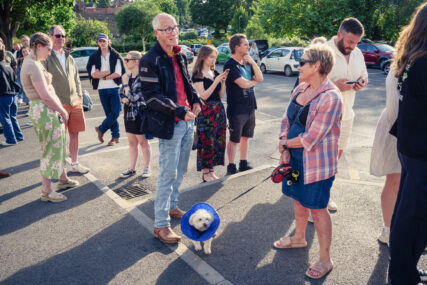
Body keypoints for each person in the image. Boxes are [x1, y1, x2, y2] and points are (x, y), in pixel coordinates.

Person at [275, 44, 342, 280]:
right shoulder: (301, 87)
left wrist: (285, 145)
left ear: (317, 65)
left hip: (316, 166)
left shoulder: (331, 97)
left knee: (318, 209)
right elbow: (286, 118)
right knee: (297, 198)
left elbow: (312, 138)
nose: (298, 65)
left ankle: (325, 258)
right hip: (294, 159)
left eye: (302, 61)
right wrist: (284, 145)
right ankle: (299, 238)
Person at [139, 13, 201, 243]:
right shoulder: (150, 59)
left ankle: (173, 206)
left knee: (182, 169)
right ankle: (161, 225)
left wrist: (196, 101)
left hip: (187, 121)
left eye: (174, 28)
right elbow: (151, 97)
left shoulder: (180, 54)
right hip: (171, 124)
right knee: (168, 173)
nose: (173, 32)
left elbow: (187, 83)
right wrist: (179, 111)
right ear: (156, 33)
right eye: (167, 29)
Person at [388, 3, 427, 284]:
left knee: (406, 212)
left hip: (410, 146)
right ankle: (403, 276)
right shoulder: (424, 62)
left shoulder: (413, 57)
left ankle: (404, 270)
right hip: (420, 150)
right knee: (414, 218)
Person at [20, 32, 79, 202]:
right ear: (38, 46)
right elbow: (44, 95)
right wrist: (62, 110)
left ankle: (63, 179)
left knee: (58, 146)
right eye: (48, 49)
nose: (49, 52)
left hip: (46, 110)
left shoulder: (35, 62)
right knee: (49, 150)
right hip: (44, 110)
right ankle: (46, 191)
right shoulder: (32, 64)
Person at [326, 17, 368, 211]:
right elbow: (307, 82)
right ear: (339, 34)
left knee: (334, 159)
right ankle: (314, 202)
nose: (352, 46)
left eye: (356, 42)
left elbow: (364, 76)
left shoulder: (358, 53)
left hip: (347, 115)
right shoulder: (324, 51)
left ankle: (324, 194)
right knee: (322, 159)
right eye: (350, 42)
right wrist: (336, 85)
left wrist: (361, 83)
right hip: (324, 117)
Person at [43, 25, 89, 174]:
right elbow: (43, 81)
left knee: (74, 134)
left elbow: (76, 79)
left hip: (75, 102)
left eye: (63, 36)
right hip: (58, 103)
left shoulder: (69, 56)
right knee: (59, 137)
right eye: (58, 36)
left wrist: (80, 96)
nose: (61, 39)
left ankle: (75, 163)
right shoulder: (47, 57)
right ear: (50, 37)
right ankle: (60, 169)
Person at [223, 34, 263, 175]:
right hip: (237, 109)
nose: (248, 46)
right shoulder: (230, 65)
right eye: (245, 44)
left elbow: (260, 77)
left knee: (246, 137)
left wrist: (252, 62)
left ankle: (243, 162)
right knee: (234, 139)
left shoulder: (246, 63)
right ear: (237, 47)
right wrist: (252, 83)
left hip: (250, 107)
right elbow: (243, 84)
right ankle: (231, 165)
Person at [369, 68, 401, 246]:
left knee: (400, 183)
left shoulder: (404, 62)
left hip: (400, 126)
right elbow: (394, 110)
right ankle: (388, 230)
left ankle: (394, 230)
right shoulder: (403, 65)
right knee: (395, 180)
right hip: (398, 128)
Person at [191, 45, 228, 182]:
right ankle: (206, 172)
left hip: (218, 109)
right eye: (211, 57)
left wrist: (222, 82)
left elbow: (220, 95)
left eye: (215, 57)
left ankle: (211, 170)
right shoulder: (198, 74)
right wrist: (216, 81)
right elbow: (203, 96)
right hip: (206, 111)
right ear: (203, 57)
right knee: (207, 141)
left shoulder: (215, 72)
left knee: (217, 140)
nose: (214, 60)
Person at [86, 33, 125, 146]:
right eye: (100, 41)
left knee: (116, 112)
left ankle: (101, 129)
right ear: (97, 43)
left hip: (114, 88)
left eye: (104, 41)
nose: (102, 43)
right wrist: (108, 72)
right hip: (102, 89)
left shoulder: (115, 55)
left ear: (108, 42)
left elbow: (117, 73)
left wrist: (101, 75)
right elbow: (93, 74)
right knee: (109, 114)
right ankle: (115, 137)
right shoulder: (94, 56)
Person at [119, 51, 152, 179]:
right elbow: (122, 94)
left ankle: (146, 167)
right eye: (125, 59)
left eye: (127, 59)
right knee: (132, 143)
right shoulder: (128, 76)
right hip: (128, 114)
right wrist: (124, 98)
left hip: (139, 114)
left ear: (136, 61)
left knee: (143, 143)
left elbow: (134, 98)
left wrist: (126, 86)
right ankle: (132, 169)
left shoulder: (143, 78)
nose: (125, 62)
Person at [0, 49, 23, 146]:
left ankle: (11, 139)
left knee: (5, 118)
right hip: (12, 94)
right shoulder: (7, 65)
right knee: (12, 116)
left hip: (3, 94)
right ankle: (18, 136)